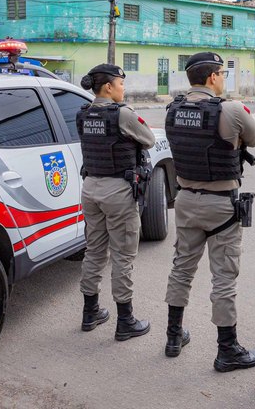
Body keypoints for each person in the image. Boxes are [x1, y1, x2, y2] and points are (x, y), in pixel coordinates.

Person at [163, 52, 255, 370]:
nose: (224, 78)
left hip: (186, 201)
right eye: (222, 73)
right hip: (221, 205)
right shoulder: (230, 110)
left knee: (181, 269)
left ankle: (173, 336)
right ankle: (227, 349)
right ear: (211, 77)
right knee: (224, 278)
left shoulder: (173, 110)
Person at [76, 63, 156, 341]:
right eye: (121, 84)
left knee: (95, 250)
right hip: (117, 190)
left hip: (90, 188)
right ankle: (125, 320)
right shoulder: (122, 114)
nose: (124, 89)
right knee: (123, 255)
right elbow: (148, 140)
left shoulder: (83, 113)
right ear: (109, 87)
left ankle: (90, 312)